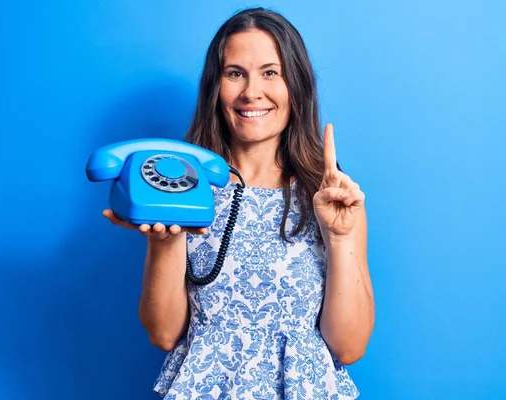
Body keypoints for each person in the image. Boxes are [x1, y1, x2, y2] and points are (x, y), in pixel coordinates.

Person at [103, 7, 374, 399]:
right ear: (217, 86)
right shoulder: (186, 189)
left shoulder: (333, 199)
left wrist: (339, 236)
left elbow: (349, 347)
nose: (251, 92)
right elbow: (163, 334)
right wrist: (165, 242)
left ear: (295, 84)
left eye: (270, 72)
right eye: (235, 73)